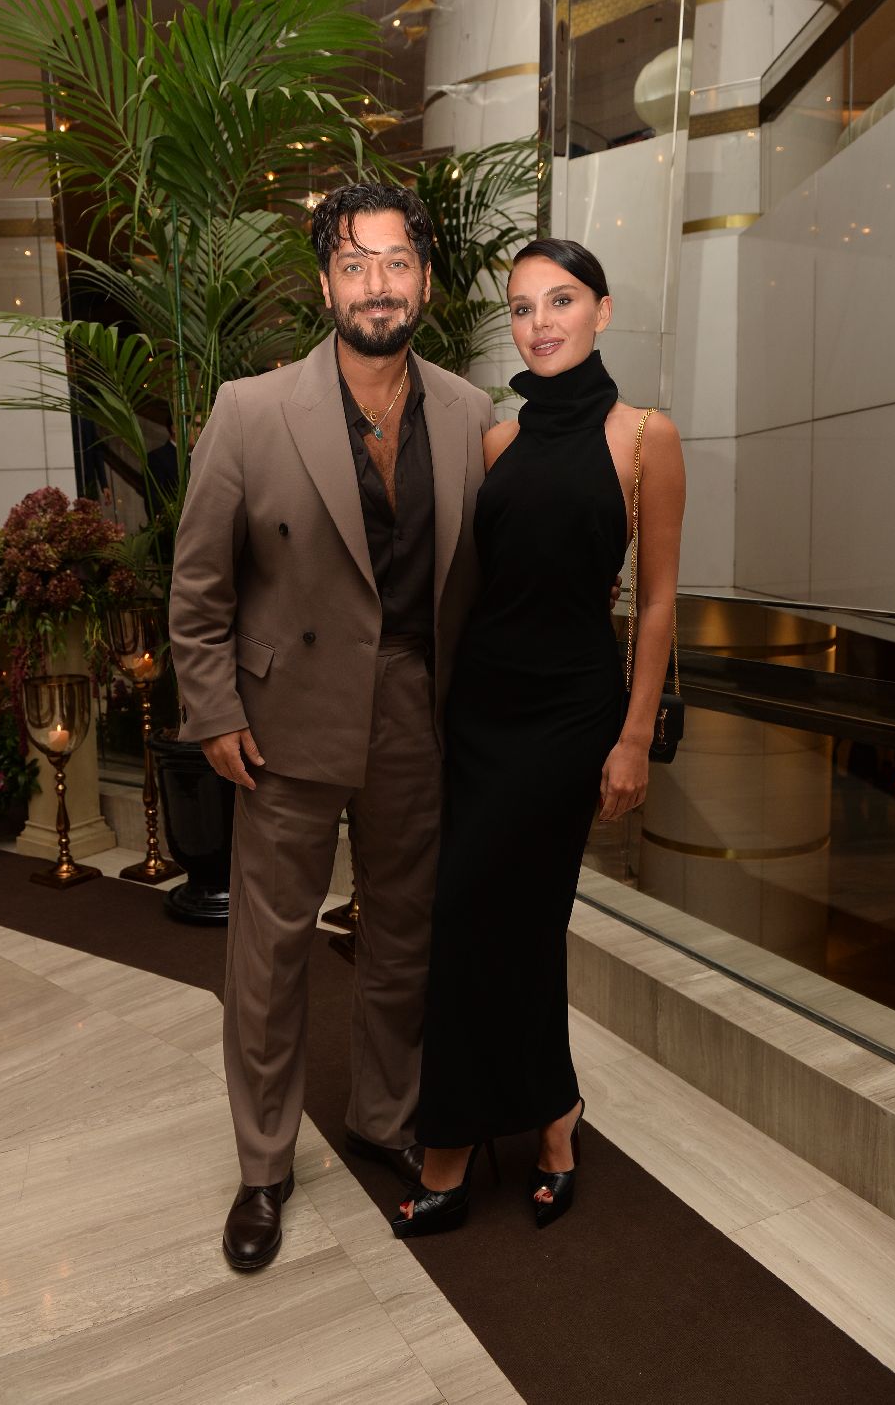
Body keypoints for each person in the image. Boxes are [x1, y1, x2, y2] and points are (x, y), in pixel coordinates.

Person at [169, 183, 495, 1272]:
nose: (377, 285)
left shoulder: (468, 412)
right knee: (270, 952)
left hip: (415, 710)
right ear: (325, 285)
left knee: (404, 935)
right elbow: (199, 584)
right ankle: (263, 1164)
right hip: (282, 721)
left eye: (396, 263)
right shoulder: (250, 408)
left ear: (425, 282)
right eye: (355, 265)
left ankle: (383, 1114)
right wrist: (214, 708)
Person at [393, 238, 685, 1239]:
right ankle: (552, 1114)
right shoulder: (497, 443)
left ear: (602, 309)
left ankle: (449, 1145)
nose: (540, 322)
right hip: (484, 710)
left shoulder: (645, 437)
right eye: (521, 308)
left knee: (496, 914)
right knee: (492, 922)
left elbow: (656, 602)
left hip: (571, 714)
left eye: (560, 300)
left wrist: (633, 736)